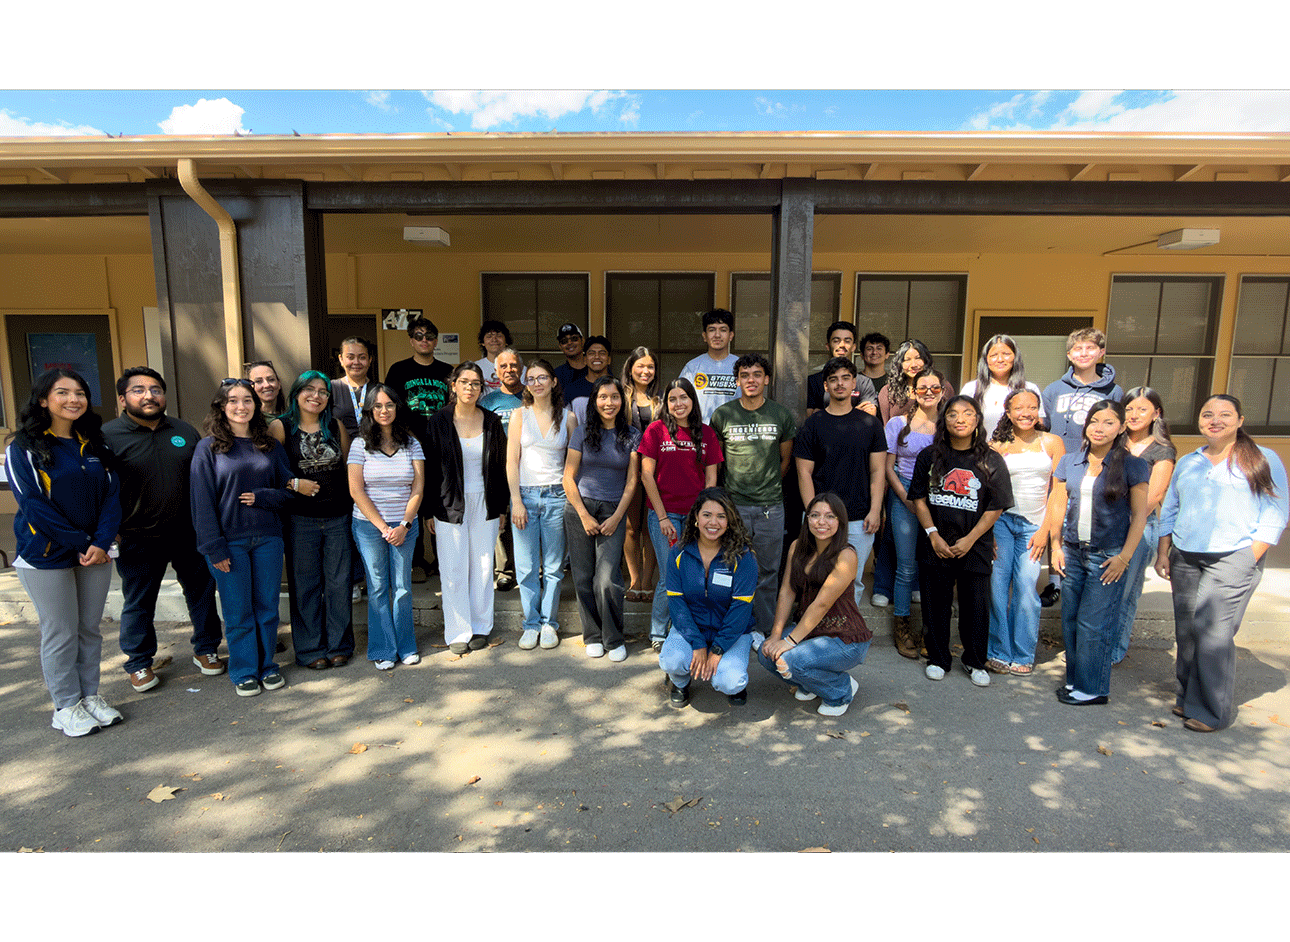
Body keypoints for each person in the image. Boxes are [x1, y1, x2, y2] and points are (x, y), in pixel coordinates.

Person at [1157, 394, 1288, 732]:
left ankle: (1211, 712)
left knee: (1213, 632)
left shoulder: (1263, 458)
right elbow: (1171, 507)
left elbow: (1276, 512)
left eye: (1225, 414)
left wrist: (1251, 555)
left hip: (1234, 556)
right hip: (1185, 554)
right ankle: (1188, 698)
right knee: (1187, 631)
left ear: (1240, 420)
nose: (1215, 420)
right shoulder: (1190, 461)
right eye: (1207, 414)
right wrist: (1163, 550)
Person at [7, 369, 122, 736]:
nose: (74, 399)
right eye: (63, 392)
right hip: (45, 557)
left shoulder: (94, 443)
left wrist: (101, 543)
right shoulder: (22, 447)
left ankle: (90, 697)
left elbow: (112, 497)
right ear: (43, 400)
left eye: (80, 393)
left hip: (96, 554)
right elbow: (32, 505)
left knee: (89, 629)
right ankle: (66, 706)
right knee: (61, 632)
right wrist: (82, 543)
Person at [103, 367, 224, 693]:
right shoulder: (108, 436)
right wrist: (107, 531)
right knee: (139, 601)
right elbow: (98, 488)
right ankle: (139, 662)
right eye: (139, 390)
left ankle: (206, 647)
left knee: (201, 593)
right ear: (122, 398)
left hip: (188, 533)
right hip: (136, 537)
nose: (148, 396)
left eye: (155, 389)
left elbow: (205, 480)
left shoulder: (183, 430)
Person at [190, 378, 294, 697]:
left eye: (247, 400)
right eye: (233, 400)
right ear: (222, 407)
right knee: (238, 611)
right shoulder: (208, 448)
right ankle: (244, 669)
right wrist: (213, 547)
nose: (241, 406)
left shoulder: (269, 446)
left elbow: (288, 491)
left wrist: (263, 496)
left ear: (256, 405)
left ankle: (267, 666)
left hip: (267, 538)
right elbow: (201, 501)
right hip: (229, 542)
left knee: (267, 607)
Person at [1047, 400, 1149, 706]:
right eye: (1094, 421)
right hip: (1073, 553)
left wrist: (1125, 557)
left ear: (1120, 427)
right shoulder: (1070, 461)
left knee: (1093, 625)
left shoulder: (1133, 465)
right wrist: (1055, 546)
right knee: (1071, 620)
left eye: (1108, 422)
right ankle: (1077, 682)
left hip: (1108, 555)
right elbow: (1057, 504)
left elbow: (1140, 515)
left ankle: (1093, 689)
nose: (1099, 428)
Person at [908, 395, 1013, 687]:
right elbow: (918, 498)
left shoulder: (991, 459)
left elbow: (996, 506)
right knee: (935, 605)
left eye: (967, 413)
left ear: (977, 420)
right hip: (936, 542)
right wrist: (933, 535)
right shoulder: (929, 456)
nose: (960, 419)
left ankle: (975, 660)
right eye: (953, 414)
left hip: (974, 545)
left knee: (976, 608)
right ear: (945, 421)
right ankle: (938, 658)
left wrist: (970, 539)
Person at [758, 492, 873, 717]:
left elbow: (821, 605)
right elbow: (787, 591)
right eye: (815, 515)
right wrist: (775, 635)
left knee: (788, 659)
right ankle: (809, 684)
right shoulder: (797, 547)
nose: (821, 522)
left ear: (840, 522)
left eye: (830, 516)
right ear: (806, 518)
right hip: (812, 630)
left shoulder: (846, 555)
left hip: (844, 637)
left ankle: (840, 690)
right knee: (766, 653)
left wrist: (789, 641)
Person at [268, 371, 354, 670]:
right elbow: (271, 471)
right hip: (300, 519)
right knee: (305, 585)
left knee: (338, 584)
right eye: (309, 389)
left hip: (337, 516)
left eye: (323, 391)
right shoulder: (281, 427)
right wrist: (295, 484)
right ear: (296, 392)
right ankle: (308, 649)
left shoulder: (335, 425)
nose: (316, 396)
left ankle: (339, 645)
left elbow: (346, 467)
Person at [710, 353, 797, 648]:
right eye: (745, 375)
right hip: (733, 507)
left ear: (767, 379)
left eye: (757, 374)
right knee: (730, 566)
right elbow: (717, 462)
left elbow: (785, 461)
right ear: (737, 381)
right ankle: (730, 626)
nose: (751, 380)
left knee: (768, 570)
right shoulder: (723, 415)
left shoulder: (781, 415)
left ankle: (762, 630)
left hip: (771, 506)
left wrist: (767, 487)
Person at [425, 363, 510, 655]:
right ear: (454, 386)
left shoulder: (492, 421)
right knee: (453, 567)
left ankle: (481, 626)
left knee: (484, 565)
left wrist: (502, 508)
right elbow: (430, 469)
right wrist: (429, 511)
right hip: (449, 502)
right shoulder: (438, 421)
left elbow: (500, 467)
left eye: (476, 383)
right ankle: (458, 630)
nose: (470, 388)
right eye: (465, 382)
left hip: (485, 501)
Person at [1040, 327, 1123, 609]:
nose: (1083, 354)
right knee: (1057, 519)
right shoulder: (1053, 390)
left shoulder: (1113, 391)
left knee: (1084, 521)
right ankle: (1055, 581)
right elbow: (1047, 427)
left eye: (1090, 348)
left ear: (1101, 353)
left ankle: (1084, 577)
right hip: (1060, 465)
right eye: (1077, 349)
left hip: (1095, 466)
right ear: (1069, 355)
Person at [638, 378, 724, 651]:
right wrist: (662, 518)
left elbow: (711, 481)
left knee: (694, 575)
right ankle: (658, 632)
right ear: (666, 404)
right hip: (665, 516)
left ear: (692, 401)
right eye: (672, 399)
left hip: (696, 518)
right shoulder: (656, 431)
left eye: (683, 398)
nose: (678, 404)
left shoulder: (707, 434)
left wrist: (704, 518)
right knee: (668, 575)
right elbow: (646, 475)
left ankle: (684, 628)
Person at [794, 356, 886, 610]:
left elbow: (878, 471)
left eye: (846, 378)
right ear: (825, 386)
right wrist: (813, 513)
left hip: (858, 517)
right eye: (833, 380)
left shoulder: (870, 424)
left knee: (852, 581)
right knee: (815, 577)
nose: (839, 384)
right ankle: (813, 633)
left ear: (854, 383)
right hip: (821, 518)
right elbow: (804, 473)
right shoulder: (813, 424)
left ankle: (845, 635)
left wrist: (876, 510)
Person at [985, 388, 1064, 675]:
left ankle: (1022, 652)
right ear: (1008, 412)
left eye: (1032, 407)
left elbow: (1059, 491)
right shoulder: (997, 445)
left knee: (1026, 588)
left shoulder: (1052, 443)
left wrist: (1047, 530)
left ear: (1039, 411)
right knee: (996, 587)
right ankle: (998, 651)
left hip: (1034, 524)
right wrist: (988, 530)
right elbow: (988, 491)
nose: (1026, 413)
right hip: (1002, 522)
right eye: (1019, 408)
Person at [563, 376, 640, 661]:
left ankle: (613, 637)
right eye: (603, 397)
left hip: (613, 510)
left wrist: (618, 516)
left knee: (607, 578)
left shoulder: (632, 434)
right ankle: (592, 635)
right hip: (580, 508)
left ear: (622, 401)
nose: (609, 403)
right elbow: (568, 478)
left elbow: (632, 481)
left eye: (615, 397)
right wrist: (583, 514)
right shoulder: (581, 432)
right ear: (595, 401)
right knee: (583, 576)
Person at [347, 385, 424, 669]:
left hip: (405, 525)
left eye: (389, 405)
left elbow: (418, 486)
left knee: (402, 587)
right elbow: (356, 490)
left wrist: (403, 524)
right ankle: (383, 649)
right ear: (369, 411)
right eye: (377, 406)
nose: (384, 411)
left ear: (397, 408)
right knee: (378, 587)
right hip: (369, 527)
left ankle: (406, 646)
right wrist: (383, 527)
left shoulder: (412, 443)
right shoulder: (359, 444)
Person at [660, 488, 756, 708]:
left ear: (730, 521)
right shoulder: (679, 553)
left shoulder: (743, 557)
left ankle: (728, 678)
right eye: (707, 515)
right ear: (695, 517)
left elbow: (741, 610)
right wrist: (697, 643)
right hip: (692, 629)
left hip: (732, 633)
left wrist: (718, 649)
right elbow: (677, 604)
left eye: (721, 516)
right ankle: (681, 682)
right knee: (671, 660)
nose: (714, 522)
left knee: (730, 681)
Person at [508, 358, 577, 651]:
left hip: (556, 496)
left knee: (553, 567)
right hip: (524, 496)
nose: (536, 383)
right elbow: (511, 461)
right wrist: (515, 501)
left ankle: (549, 623)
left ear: (553, 381)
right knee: (525, 567)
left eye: (542, 377)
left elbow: (575, 463)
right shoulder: (518, 415)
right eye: (531, 378)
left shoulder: (569, 417)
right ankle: (531, 624)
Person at [384, 314, 453, 584]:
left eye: (429, 336)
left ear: (436, 340)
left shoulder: (447, 371)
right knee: (411, 500)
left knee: (440, 500)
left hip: (441, 447)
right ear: (411, 340)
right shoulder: (399, 370)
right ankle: (415, 562)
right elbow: (390, 406)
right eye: (419, 336)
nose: (424, 340)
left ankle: (440, 559)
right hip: (409, 445)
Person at [883, 368, 945, 658]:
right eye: (923, 387)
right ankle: (903, 625)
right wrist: (905, 497)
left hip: (940, 496)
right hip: (904, 493)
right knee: (906, 566)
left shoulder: (949, 426)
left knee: (935, 564)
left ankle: (932, 629)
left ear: (943, 392)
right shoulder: (898, 424)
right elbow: (888, 466)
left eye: (935, 387)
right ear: (913, 392)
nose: (929, 392)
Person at [1113, 386, 1176, 664]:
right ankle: (1092, 645)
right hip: (1105, 524)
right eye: (1128, 409)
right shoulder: (1114, 440)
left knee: (1125, 592)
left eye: (1142, 409)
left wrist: (1122, 521)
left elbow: (1154, 496)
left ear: (1156, 413)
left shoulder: (1162, 450)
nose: (1134, 415)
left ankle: (1113, 650)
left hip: (1138, 528)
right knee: (1101, 590)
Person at [479, 347, 525, 592]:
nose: (509, 370)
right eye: (504, 366)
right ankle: (505, 571)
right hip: (497, 469)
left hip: (528, 469)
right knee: (501, 521)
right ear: (496, 371)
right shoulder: (489, 402)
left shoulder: (531, 396)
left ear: (521, 368)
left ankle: (529, 568)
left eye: (514, 365)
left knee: (526, 518)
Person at [621, 346, 663, 602]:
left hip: (656, 474)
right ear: (630, 369)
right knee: (630, 528)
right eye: (640, 366)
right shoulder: (620, 398)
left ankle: (648, 579)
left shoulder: (660, 401)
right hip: (626, 473)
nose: (645, 371)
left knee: (651, 529)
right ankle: (634, 578)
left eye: (650, 367)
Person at [958, 333, 1045, 441]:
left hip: (1017, 453)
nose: (1000, 359)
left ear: (1015, 357)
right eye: (994, 355)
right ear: (986, 359)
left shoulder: (1029, 389)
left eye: (1006, 354)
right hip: (980, 453)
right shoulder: (971, 388)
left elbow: (1038, 426)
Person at [805, 321, 878, 416]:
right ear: (828, 346)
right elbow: (810, 416)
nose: (842, 345)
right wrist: (856, 412)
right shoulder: (813, 381)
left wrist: (825, 413)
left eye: (847, 341)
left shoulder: (864, 382)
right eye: (836, 341)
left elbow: (869, 416)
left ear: (854, 347)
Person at [679, 308, 739, 422]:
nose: (717, 335)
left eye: (723, 330)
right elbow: (680, 402)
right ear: (704, 336)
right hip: (699, 434)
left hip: (733, 435)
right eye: (712, 330)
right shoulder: (692, 368)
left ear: (731, 335)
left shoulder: (741, 367)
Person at [877, 339, 955, 424]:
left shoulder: (942, 386)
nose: (913, 365)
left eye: (918, 358)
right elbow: (885, 427)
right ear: (900, 364)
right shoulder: (888, 391)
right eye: (907, 360)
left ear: (926, 360)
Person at [332, 336, 375, 439]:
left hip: (373, 451)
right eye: (350, 357)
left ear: (370, 360)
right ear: (341, 359)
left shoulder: (379, 390)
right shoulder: (331, 388)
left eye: (362, 357)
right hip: (340, 451)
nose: (356, 362)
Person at [568, 335, 612, 421]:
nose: (597, 357)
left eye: (602, 353)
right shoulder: (572, 389)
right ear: (585, 359)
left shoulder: (617, 387)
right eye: (591, 353)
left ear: (609, 359)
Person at [477, 319, 522, 393]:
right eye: (489, 336)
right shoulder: (476, 367)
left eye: (499, 336)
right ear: (482, 342)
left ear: (506, 341)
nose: (494, 339)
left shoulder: (519, 368)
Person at [553, 323, 593, 403]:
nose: (569, 343)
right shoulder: (556, 375)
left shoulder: (596, 369)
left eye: (574, 339)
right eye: (564, 341)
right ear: (560, 346)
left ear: (582, 341)